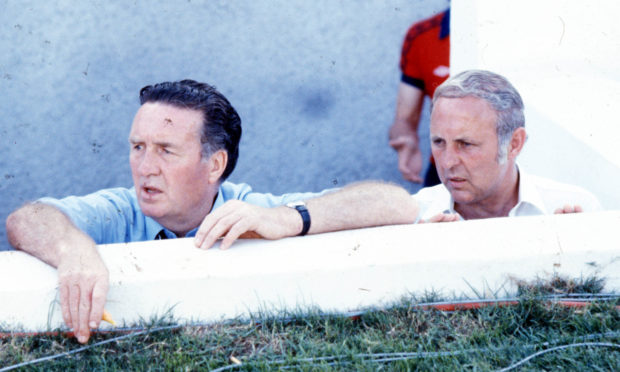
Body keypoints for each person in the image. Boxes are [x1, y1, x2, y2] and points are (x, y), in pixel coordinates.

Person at [6, 79, 419, 344]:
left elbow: (396, 203)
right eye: (138, 147)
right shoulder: (121, 210)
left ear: (216, 165)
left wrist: (288, 219)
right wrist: (74, 251)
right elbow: (26, 218)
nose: (145, 167)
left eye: (166, 150)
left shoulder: (250, 209)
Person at [414, 69, 602, 222]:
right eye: (438, 142)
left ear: (514, 144)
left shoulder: (577, 209)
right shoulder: (415, 217)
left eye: (465, 144)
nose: (447, 162)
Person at [389, 8, 450, 186]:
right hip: (446, 172)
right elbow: (404, 120)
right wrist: (405, 138)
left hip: (519, 171)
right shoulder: (422, 36)